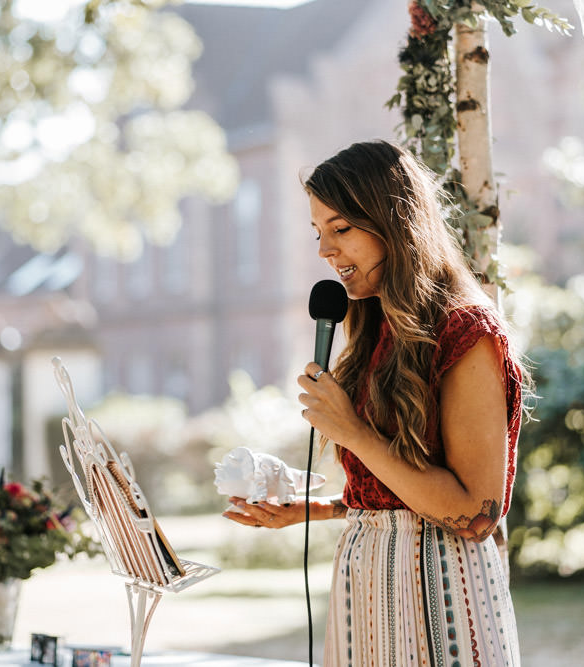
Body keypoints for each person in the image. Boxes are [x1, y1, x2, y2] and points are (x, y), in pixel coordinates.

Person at [223, 140, 528, 666]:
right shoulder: (374, 327)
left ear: (395, 224)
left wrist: (354, 433)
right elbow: (400, 493)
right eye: (319, 233)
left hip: (439, 598)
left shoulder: (465, 333)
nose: (325, 250)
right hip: (365, 593)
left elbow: (474, 513)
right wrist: (313, 510)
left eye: (341, 229)